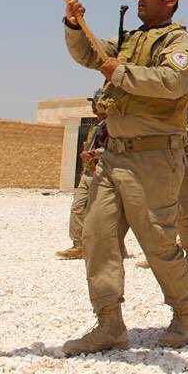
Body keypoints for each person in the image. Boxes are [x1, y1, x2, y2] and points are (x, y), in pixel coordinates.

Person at [61, 0, 188, 354]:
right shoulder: (131, 39)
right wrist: (74, 26)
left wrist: (118, 72)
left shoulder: (178, 41)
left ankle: (186, 312)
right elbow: (91, 54)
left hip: (154, 157)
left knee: (158, 242)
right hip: (114, 156)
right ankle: (109, 324)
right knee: (98, 237)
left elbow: (173, 82)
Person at [55, 90, 128, 261]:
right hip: (88, 174)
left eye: (96, 103)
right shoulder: (97, 127)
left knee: (107, 213)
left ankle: (117, 246)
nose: (93, 107)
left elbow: (115, 150)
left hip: (103, 174)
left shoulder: (115, 126)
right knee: (78, 208)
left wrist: (95, 154)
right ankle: (79, 245)